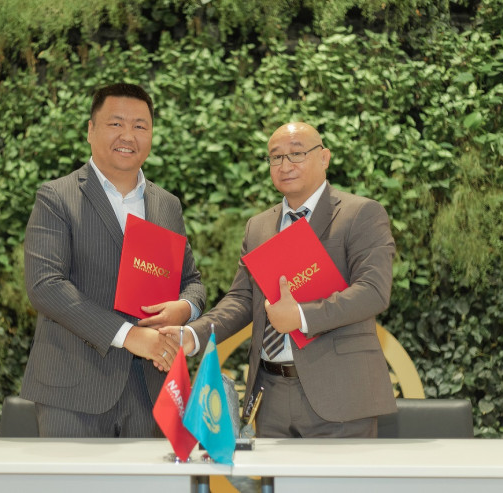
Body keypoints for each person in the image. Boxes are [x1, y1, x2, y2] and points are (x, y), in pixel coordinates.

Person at [163, 122, 396, 438]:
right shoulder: (258, 227)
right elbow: (242, 299)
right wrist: (193, 334)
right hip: (269, 395)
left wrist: (300, 316)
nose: (285, 165)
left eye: (296, 153)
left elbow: (372, 291)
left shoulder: (360, 214)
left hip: (341, 394)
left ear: (324, 157)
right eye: (276, 157)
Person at [20, 83, 206, 437]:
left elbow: (192, 282)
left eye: (140, 126)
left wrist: (185, 307)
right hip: (73, 391)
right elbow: (46, 286)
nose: (128, 135)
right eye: (115, 123)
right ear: (90, 130)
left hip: (150, 391)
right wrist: (129, 335)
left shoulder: (167, 205)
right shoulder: (57, 197)